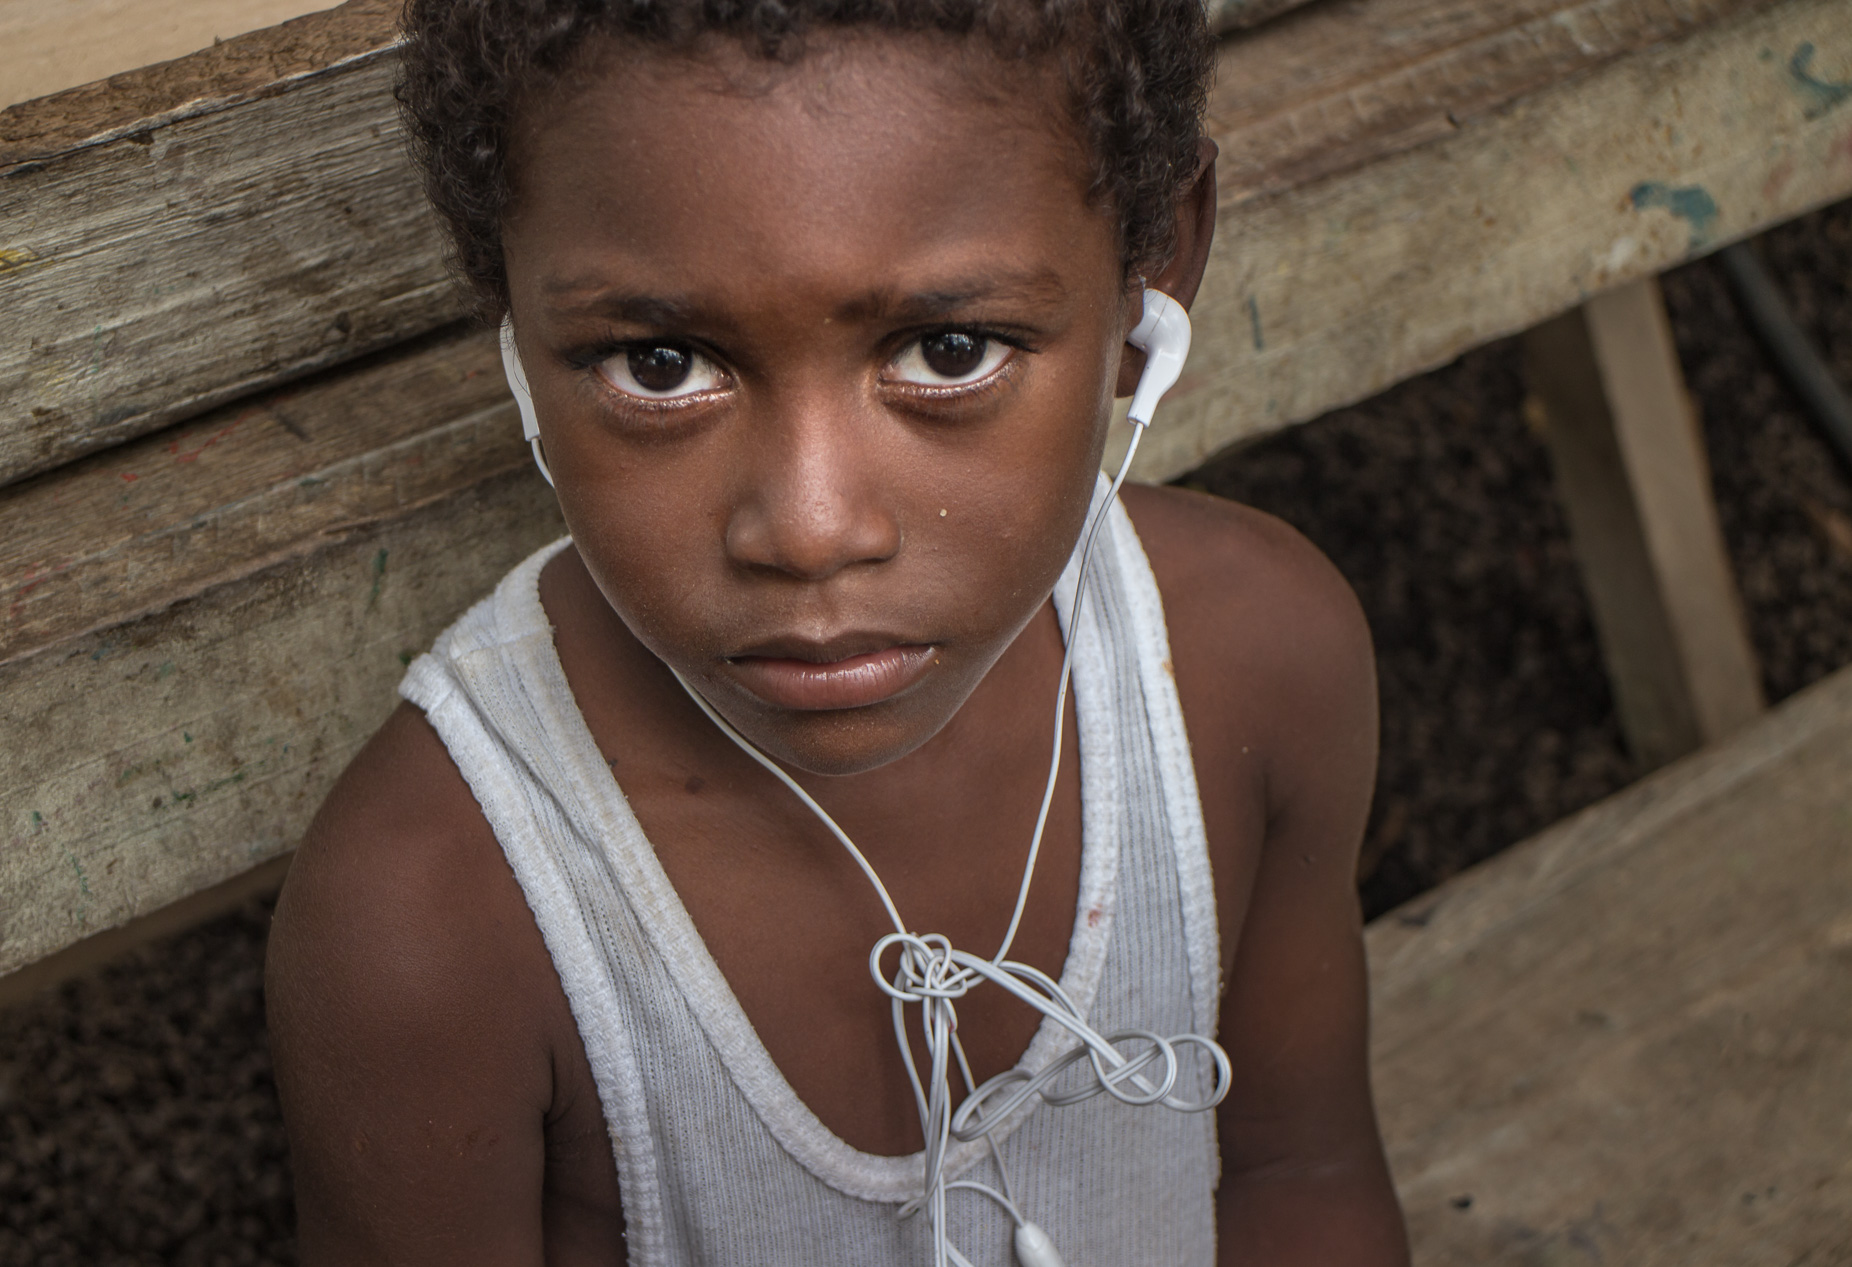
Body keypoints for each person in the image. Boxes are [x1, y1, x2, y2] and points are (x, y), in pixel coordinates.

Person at [264, 0, 1410, 1259]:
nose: (810, 531)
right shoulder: (431, 915)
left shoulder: (1250, 663)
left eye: (949, 347)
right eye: (658, 365)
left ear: (1157, 259)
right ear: (508, 309)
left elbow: (1300, 1178)